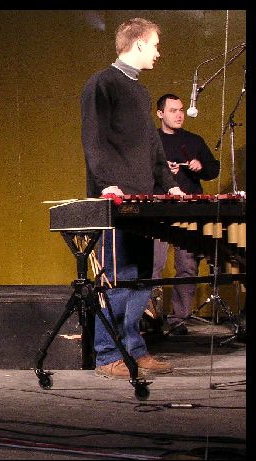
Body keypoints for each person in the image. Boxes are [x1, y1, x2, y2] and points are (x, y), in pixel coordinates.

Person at [80, 18, 185, 378]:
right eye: (155, 44)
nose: (158, 52)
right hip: (115, 199)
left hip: (143, 200)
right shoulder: (102, 83)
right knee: (118, 277)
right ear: (139, 43)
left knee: (142, 278)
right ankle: (108, 355)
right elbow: (93, 138)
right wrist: (106, 183)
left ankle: (134, 350)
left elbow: (153, 146)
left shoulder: (140, 92)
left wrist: (168, 184)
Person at [151, 93, 220, 335]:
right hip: (158, 210)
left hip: (188, 211)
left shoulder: (193, 141)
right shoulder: (151, 141)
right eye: (173, 110)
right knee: (154, 266)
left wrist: (200, 167)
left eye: (181, 110)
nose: (179, 114)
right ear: (160, 113)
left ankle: (179, 318)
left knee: (188, 266)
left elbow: (213, 169)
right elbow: (138, 174)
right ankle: (152, 317)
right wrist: (160, 170)